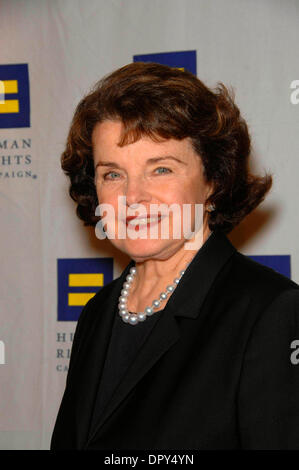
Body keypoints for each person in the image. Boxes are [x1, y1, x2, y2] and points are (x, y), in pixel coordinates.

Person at [51, 62, 299, 450]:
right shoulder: (97, 313)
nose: (133, 198)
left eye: (161, 169)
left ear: (213, 181)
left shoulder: (269, 311)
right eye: (112, 174)